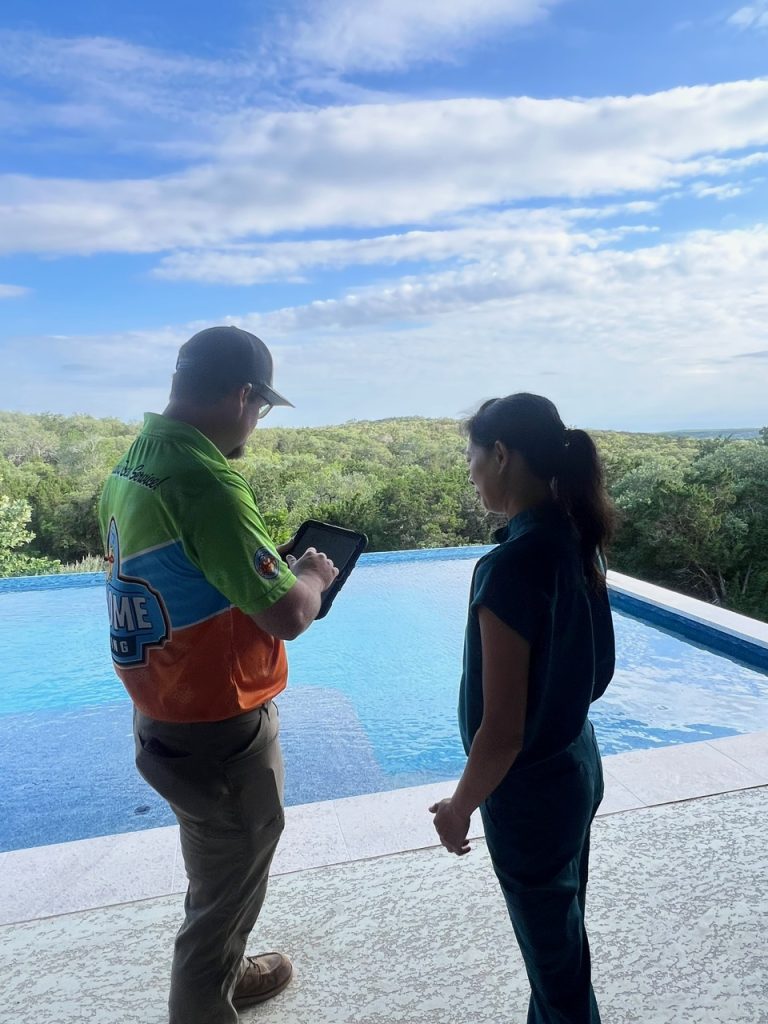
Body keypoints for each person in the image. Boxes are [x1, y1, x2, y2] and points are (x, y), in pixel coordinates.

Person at [99, 326, 338, 1024]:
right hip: (217, 725)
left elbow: (185, 576)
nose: (256, 426)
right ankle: (208, 992)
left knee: (216, 870)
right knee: (223, 892)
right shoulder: (205, 481)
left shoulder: (138, 459)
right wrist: (312, 577)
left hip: (165, 710)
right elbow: (289, 615)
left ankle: (227, 975)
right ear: (243, 395)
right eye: (261, 410)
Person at [430, 393, 615, 1024]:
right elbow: (597, 675)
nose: (471, 472)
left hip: (530, 794)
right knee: (562, 934)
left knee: (556, 966)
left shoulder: (509, 567)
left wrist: (460, 807)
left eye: (473, 457)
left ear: (502, 455)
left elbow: (502, 729)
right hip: (576, 769)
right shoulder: (574, 538)